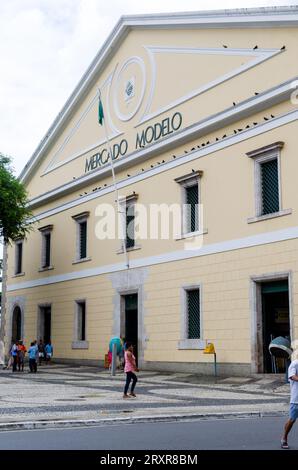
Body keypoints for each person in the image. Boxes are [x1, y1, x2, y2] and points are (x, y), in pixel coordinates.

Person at [281, 350, 298, 449]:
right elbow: (292, 376)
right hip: (296, 399)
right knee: (292, 420)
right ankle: (284, 438)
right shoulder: (295, 364)